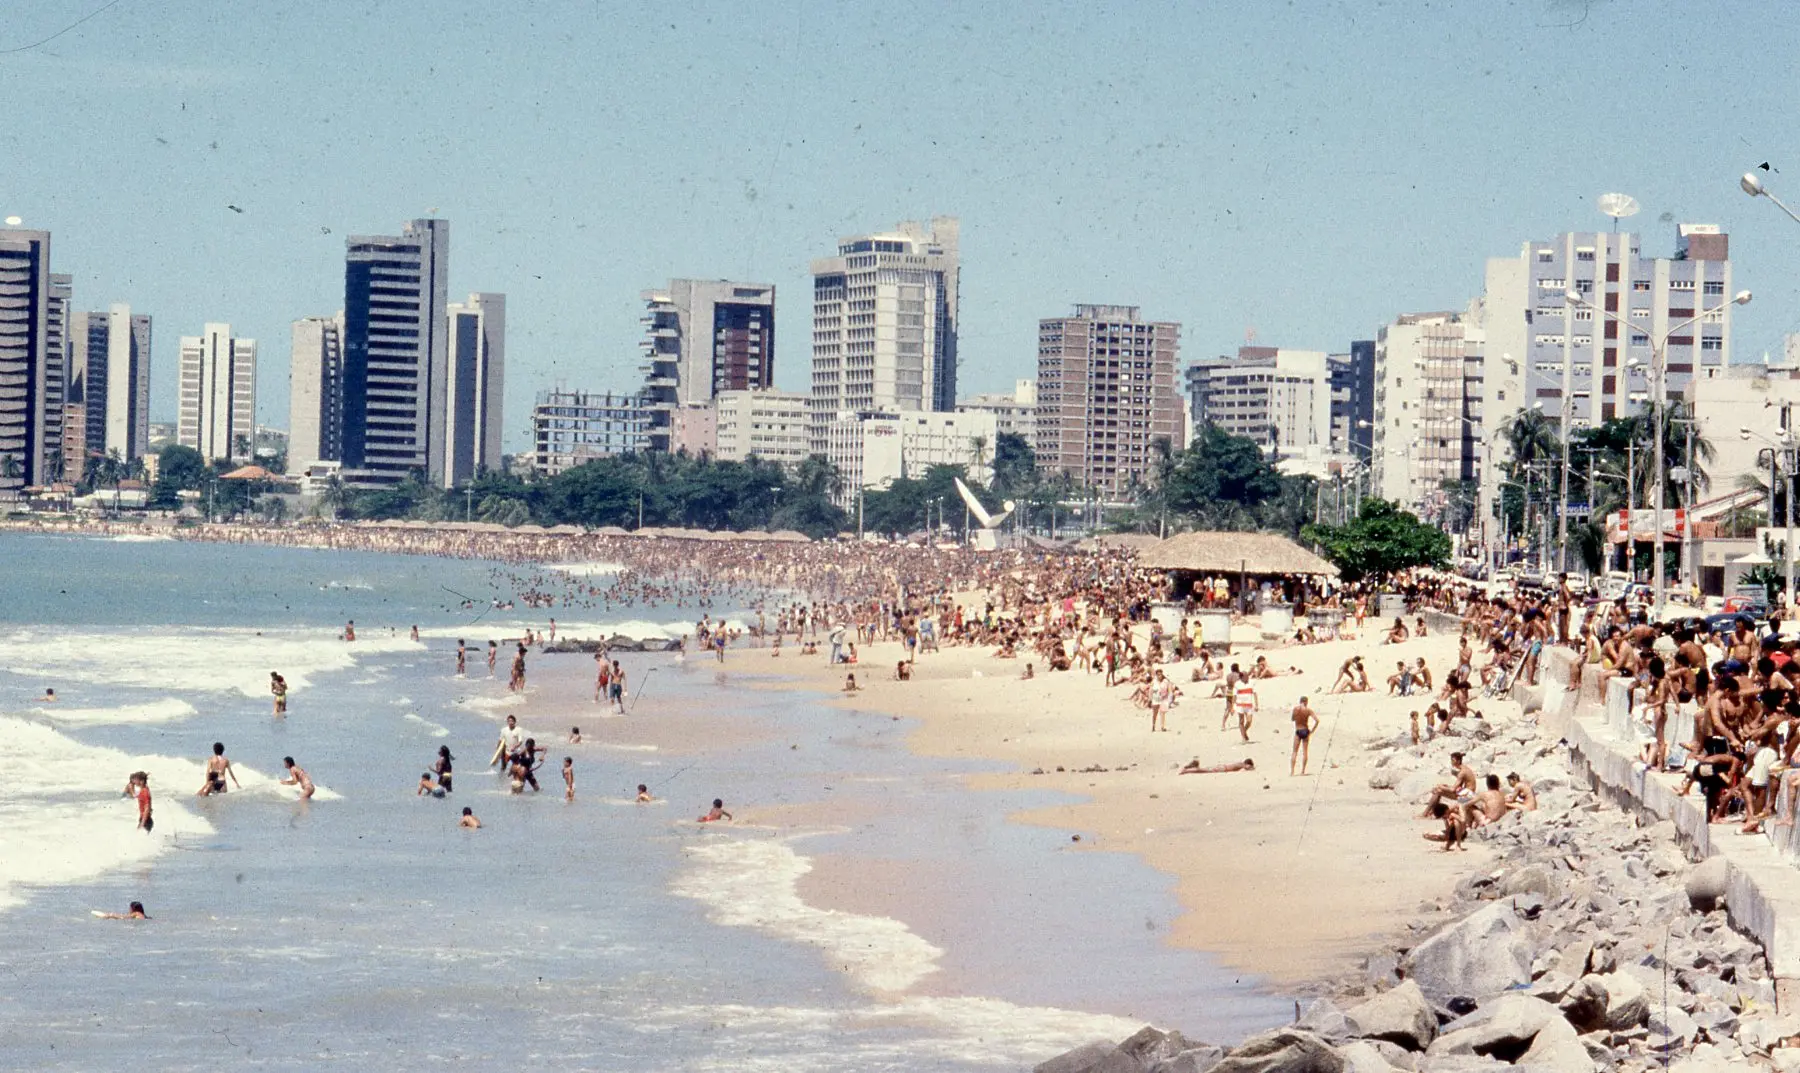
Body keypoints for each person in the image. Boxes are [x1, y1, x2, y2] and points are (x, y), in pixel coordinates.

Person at [1290, 696, 1319, 776]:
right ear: (1306, 702)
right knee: (1305, 752)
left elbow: (1292, 719)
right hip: (1305, 730)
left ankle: (1292, 771)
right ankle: (1302, 771)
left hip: (1298, 730)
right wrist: (1312, 731)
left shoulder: (1296, 709)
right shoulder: (1308, 710)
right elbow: (1317, 720)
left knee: (1294, 751)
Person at [1231, 676, 1258, 743]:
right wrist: (1232, 707)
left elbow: (1255, 694)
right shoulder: (1237, 684)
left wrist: (1256, 705)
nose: (1247, 678)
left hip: (1249, 705)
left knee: (1249, 721)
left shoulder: (1251, 683)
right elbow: (1234, 696)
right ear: (1242, 677)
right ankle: (1243, 737)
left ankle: (1244, 731)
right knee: (1241, 721)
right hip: (1240, 705)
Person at [1179, 757, 1255, 774]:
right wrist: (1252, 768)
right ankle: (1186, 770)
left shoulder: (1240, 763)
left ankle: (1191, 767)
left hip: (1223, 767)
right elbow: (1247, 768)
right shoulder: (1242, 764)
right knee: (1203, 770)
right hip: (1223, 769)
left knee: (1204, 769)